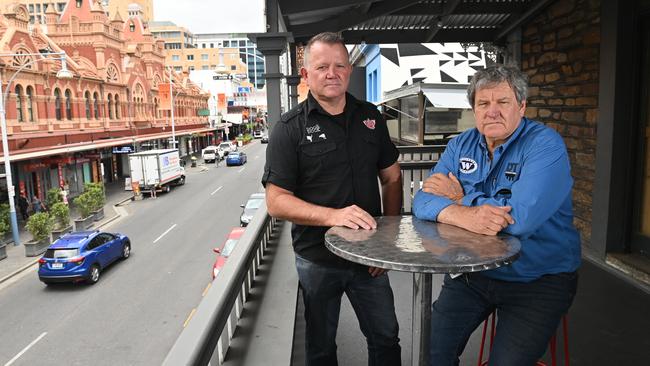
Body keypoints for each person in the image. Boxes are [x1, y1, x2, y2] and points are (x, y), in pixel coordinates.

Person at [412, 65, 580, 366]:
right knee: (430, 351)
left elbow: (519, 220)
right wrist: (463, 214)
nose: (492, 112)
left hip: (538, 277)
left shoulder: (545, 145)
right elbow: (422, 201)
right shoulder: (460, 144)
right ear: (474, 109)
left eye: (502, 102)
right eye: (483, 104)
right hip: (474, 273)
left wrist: (460, 198)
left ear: (522, 105)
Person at [262, 32, 403, 366]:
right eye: (322, 66)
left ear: (349, 71)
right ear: (306, 75)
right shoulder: (289, 129)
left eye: (340, 65)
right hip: (317, 260)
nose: (332, 72)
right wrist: (334, 216)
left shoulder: (371, 118)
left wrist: (388, 238)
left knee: (386, 338)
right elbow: (276, 201)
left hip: (370, 258)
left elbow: (392, 176)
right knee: (321, 348)